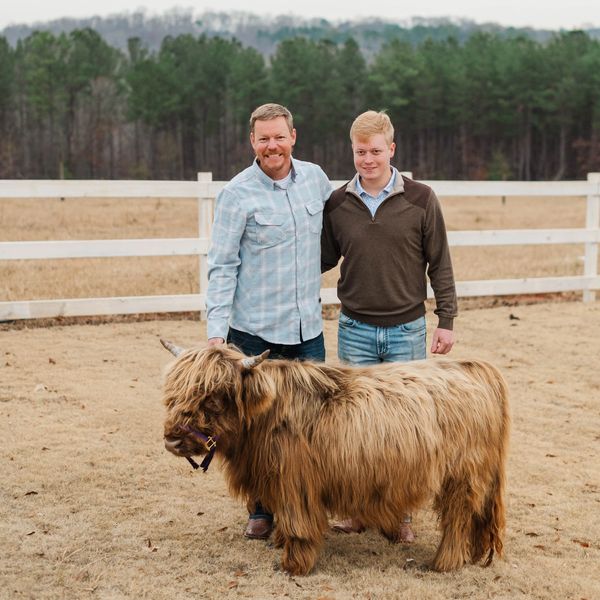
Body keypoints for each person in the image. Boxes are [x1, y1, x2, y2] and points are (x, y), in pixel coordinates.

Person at [321, 110, 458, 542]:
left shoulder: (420, 199)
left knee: (404, 432)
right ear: (353, 152)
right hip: (356, 328)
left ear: (391, 150)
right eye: (360, 152)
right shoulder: (339, 202)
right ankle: (361, 510)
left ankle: (399, 515)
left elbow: (441, 263)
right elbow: (321, 259)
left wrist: (447, 320)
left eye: (376, 150)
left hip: (406, 330)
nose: (368, 159)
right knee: (357, 432)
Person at [206, 103, 332, 541]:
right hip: (254, 335)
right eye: (263, 138)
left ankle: (308, 504)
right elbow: (221, 265)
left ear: (293, 136)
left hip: (308, 332)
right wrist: (217, 334)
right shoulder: (237, 194)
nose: (272, 145)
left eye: (279, 136)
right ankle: (261, 508)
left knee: (314, 426)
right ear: (252, 142)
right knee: (257, 429)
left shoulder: (316, 179)